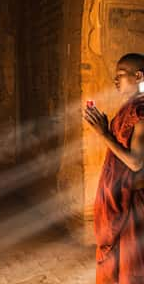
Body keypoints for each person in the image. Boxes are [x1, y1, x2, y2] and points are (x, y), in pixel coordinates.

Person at [84, 53, 144, 283]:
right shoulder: (130, 108)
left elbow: (136, 162)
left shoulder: (140, 112)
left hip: (135, 204)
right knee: (117, 267)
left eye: (121, 75)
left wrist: (104, 133)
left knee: (132, 270)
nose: (115, 80)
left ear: (138, 76)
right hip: (121, 201)